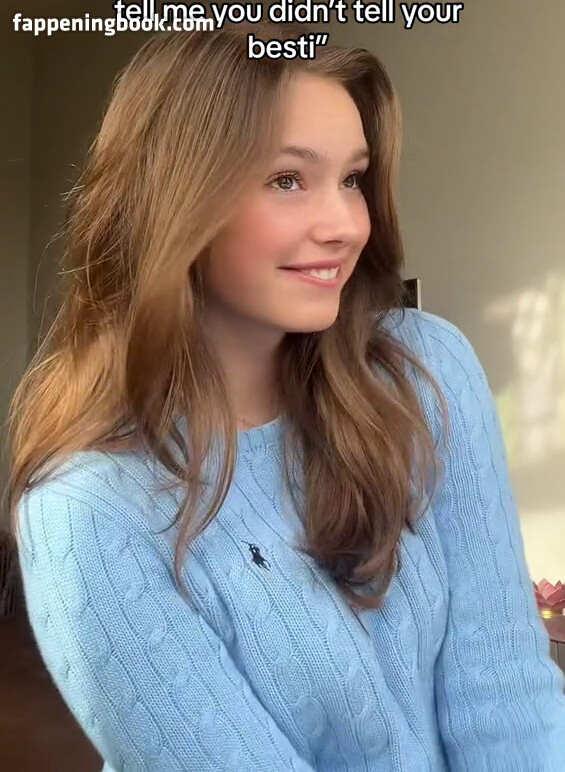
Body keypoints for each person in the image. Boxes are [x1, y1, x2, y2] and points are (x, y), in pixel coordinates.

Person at [8, 22, 565, 772]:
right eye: (287, 180)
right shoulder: (90, 513)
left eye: (352, 179)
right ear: (174, 201)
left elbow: (503, 688)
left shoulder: (425, 370)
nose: (345, 226)